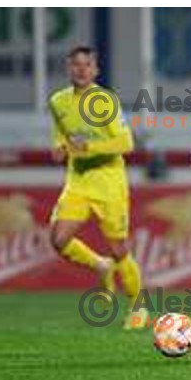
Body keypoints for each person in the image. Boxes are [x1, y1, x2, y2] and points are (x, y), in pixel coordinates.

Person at [48, 46, 147, 330]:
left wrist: (88, 147)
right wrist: (59, 148)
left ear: (95, 70)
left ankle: (138, 307)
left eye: (87, 64)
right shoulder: (58, 102)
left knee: (119, 249)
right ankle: (101, 267)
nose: (81, 69)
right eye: (76, 64)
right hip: (77, 182)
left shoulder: (104, 101)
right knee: (58, 239)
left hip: (109, 184)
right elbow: (60, 138)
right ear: (69, 68)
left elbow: (126, 143)